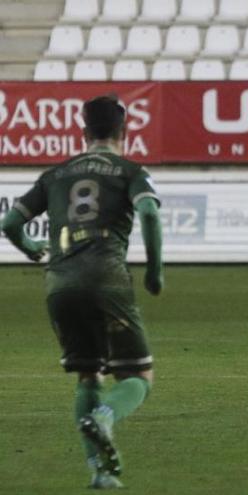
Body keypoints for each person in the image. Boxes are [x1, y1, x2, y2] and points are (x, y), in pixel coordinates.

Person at [1, 95, 163, 489]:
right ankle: (106, 417)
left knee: (88, 375)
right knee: (139, 374)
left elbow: (9, 222)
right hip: (106, 277)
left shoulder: (56, 175)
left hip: (59, 282)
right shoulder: (129, 170)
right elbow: (148, 213)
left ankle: (101, 472)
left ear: (83, 132)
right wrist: (155, 272)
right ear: (124, 132)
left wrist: (30, 249)